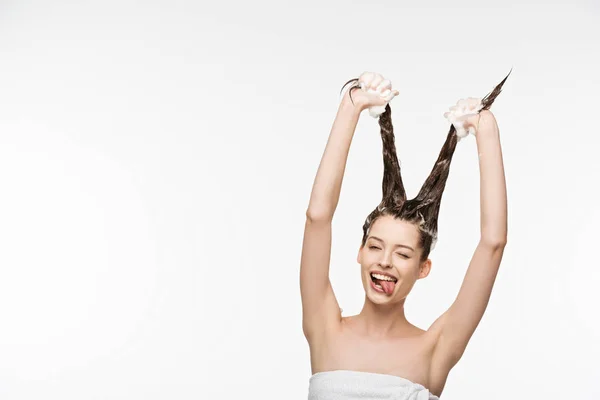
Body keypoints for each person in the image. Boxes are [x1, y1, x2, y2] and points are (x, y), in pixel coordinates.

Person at [300, 70, 510, 399]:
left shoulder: (435, 348)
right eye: (375, 246)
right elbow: (317, 216)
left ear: (423, 268)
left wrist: (486, 129)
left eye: (402, 253)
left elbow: (493, 243)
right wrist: (351, 106)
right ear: (360, 252)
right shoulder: (324, 327)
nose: (384, 262)